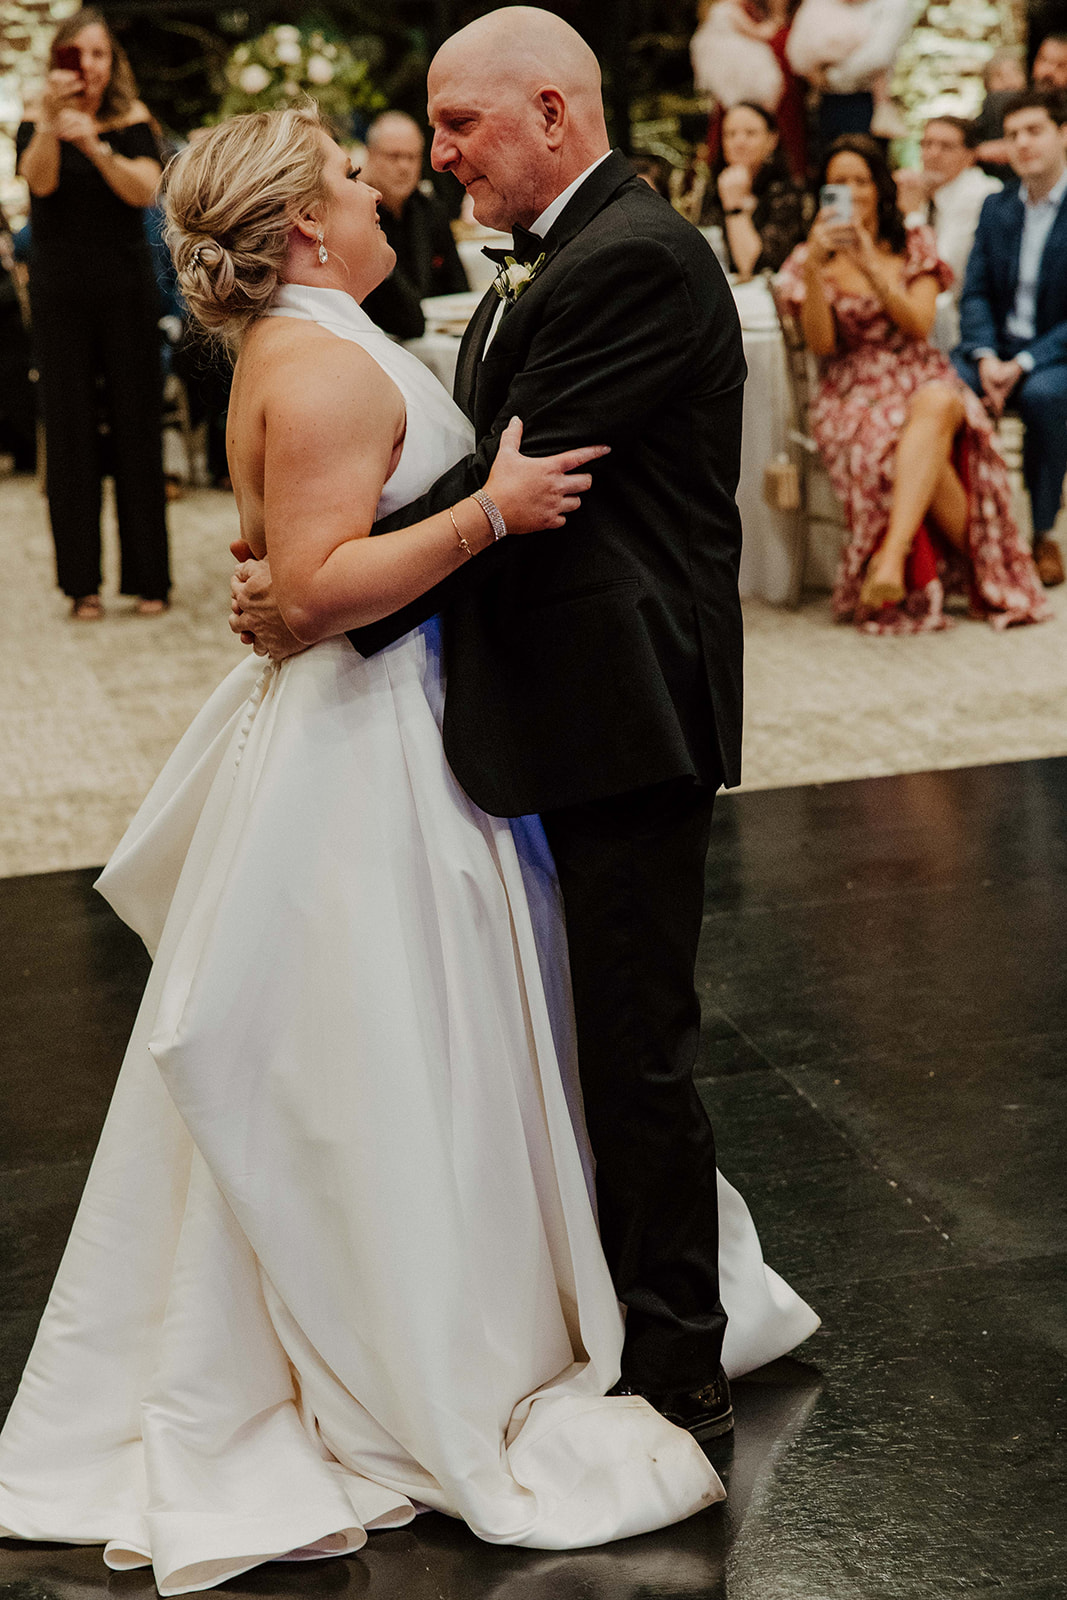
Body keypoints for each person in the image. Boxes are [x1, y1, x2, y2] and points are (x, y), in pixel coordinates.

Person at [0, 103, 819, 1589]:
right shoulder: (312, 361)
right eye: (352, 181)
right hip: (363, 751)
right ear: (305, 229)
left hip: (404, 729)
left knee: (419, 1053)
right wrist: (491, 515)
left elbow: (297, 570)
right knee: (383, 1058)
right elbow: (316, 590)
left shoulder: (316, 335)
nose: (387, 188)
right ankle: (413, 1341)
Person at [232, 5, 751, 1440]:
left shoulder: (630, 261)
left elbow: (518, 508)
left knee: (634, 1042)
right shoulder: (568, 253)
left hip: (621, 705)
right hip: (558, 698)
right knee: (582, 1031)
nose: (434, 154)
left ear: (549, 110)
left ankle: (676, 1362)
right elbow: (482, 480)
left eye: (458, 126)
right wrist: (308, 562)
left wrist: (319, 601)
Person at [776, 134, 1049, 631]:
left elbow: (919, 325)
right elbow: (820, 345)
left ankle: (890, 557)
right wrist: (816, 269)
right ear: (824, 193)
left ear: (879, 187)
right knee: (903, 435)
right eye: (838, 182)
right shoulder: (807, 257)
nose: (851, 191)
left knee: (940, 399)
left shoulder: (913, 244)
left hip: (917, 369)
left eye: (861, 180)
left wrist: (870, 267)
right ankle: (964, 564)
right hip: (850, 386)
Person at [16, 6, 170, 619]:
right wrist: (56, 125)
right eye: (78, 54)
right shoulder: (37, 117)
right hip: (60, 287)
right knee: (70, 424)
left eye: (101, 54)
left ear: (114, 62)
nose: (91, 66)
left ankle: (150, 578)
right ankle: (81, 582)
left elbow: (146, 189)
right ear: (59, 60)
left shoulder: (131, 118)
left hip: (124, 283)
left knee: (137, 422)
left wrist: (96, 144)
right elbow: (39, 183)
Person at [952, 87, 1067, 588]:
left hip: (1052, 353)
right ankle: (963, 534)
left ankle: (1043, 532)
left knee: (1045, 397)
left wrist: (1020, 364)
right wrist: (984, 356)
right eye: (1013, 134)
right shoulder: (997, 207)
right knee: (942, 392)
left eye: (1034, 131)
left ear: (1064, 135)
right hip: (993, 348)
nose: (1022, 143)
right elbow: (973, 292)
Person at [360, 110, 469, 341]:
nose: (404, 167)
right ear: (370, 155)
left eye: (412, 157)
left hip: (436, 335)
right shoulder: (359, 215)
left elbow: (459, 287)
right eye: (394, 156)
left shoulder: (430, 210)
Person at [894, 116, 1001, 348]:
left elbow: (944, 270)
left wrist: (912, 215)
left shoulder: (978, 194)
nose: (932, 154)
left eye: (946, 147)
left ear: (970, 156)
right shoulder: (930, 190)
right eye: (927, 144)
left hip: (973, 321)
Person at [787, 0, 911, 148]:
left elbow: (878, 57)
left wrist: (831, 77)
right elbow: (796, 53)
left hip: (864, 99)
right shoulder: (817, 5)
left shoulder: (891, 5)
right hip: (823, 99)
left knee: (864, 154)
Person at [703, 102, 807, 278]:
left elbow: (755, 265)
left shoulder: (787, 192)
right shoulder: (712, 187)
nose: (739, 142)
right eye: (730, 134)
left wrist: (734, 207)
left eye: (750, 133)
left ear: (772, 140)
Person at [971, 47, 1027, 180]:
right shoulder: (979, 124)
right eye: (999, 76)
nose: (1009, 82)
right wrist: (978, 151)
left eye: (1015, 73)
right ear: (987, 84)